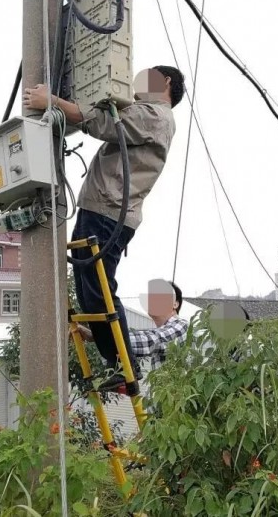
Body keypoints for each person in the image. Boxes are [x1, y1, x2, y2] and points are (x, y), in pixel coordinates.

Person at [23, 66, 185, 391]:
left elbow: (103, 123)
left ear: (166, 82)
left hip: (109, 211)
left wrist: (51, 101)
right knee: (89, 291)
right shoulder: (145, 112)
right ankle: (120, 365)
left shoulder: (156, 115)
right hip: (101, 208)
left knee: (99, 289)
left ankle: (124, 369)